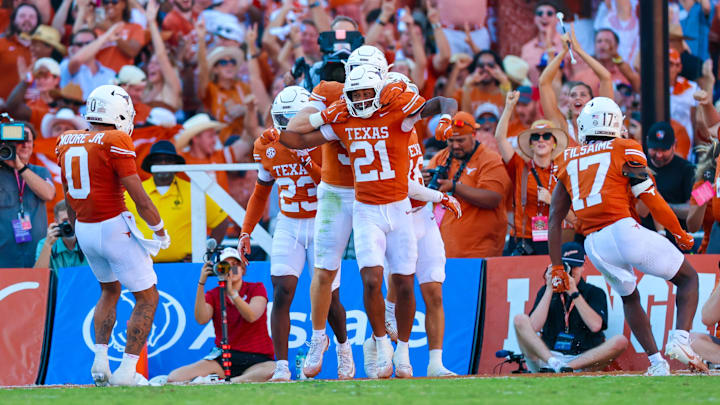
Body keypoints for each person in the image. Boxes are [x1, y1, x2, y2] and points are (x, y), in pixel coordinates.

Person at [281, 65, 458, 378]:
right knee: (372, 280)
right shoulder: (344, 119)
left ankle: (401, 352)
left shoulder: (401, 115)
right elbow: (295, 138)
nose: (361, 100)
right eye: (356, 94)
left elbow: (443, 103)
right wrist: (318, 116)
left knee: (403, 283)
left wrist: (445, 120)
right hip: (365, 209)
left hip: (401, 207)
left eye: (367, 93)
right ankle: (381, 344)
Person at [548, 96, 707, 375]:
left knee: (629, 297)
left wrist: (558, 265)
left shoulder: (567, 157)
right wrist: (679, 232)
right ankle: (681, 340)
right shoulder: (624, 148)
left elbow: (554, 219)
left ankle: (656, 363)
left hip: (594, 245)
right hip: (624, 230)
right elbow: (651, 198)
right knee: (688, 278)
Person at [56, 84, 170, 386]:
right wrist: (159, 229)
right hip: (112, 225)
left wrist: (79, 226)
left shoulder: (65, 140)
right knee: (147, 297)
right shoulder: (115, 139)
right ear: (118, 112)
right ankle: (127, 371)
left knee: (109, 290)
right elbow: (139, 197)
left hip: (85, 227)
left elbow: (68, 197)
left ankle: (100, 361)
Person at [239, 86, 352, 381]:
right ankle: (282, 366)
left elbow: (328, 183)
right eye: (282, 118)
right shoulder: (268, 145)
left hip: (322, 221)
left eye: (292, 118)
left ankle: (343, 348)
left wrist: (304, 159)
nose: (288, 125)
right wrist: (246, 231)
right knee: (281, 291)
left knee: (330, 295)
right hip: (288, 223)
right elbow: (261, 192)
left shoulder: (322, 140)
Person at [513, 241, 628, 372]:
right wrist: (550, 288)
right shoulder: (546, 291)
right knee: (520, 320)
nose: (570, 271)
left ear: (583, 266)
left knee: (620, 341)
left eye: (575, 266)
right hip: (549, 357)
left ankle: (565, 368)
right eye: (566, 266)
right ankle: (555, 364)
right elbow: (533, 327)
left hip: (581, 360)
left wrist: (574, 293)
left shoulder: (594, 292)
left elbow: (595, 326)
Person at [166, 248, 275, 383]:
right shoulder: (214, 294)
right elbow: (201, 319)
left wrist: (232, 293)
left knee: (271, 371)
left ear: (242, 269)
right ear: (219, 270)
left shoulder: (256, 288)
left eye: (235, 265)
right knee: (174, 377)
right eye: (226, 265)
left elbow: (252, 316)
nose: (231, 269)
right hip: (225, 357)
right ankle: (232, 380)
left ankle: (232, 381)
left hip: (258, 357)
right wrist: (201, 283)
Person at [124, 140, 229, 263]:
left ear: (175, 163)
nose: (163, 164)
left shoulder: (193, 191)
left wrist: (205, 252)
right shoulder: (133, 192)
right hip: (142, 266)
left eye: (168, 160)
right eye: (158, 160)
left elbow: (221, 222)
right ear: (151, 164)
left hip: (183, 267)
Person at [425, 112, 512, 258]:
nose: (455, 145)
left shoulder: (490, 160)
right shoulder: (440, 157)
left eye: (461, 140)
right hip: (442, 251)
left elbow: (493, 198)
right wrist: (423, 181)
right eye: (451, 141)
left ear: (473, 134)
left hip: (479, 252)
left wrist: (454, 187)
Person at [496, 91, 568, 256]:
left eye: (546, 136)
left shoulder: (563, 170)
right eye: (536, 137)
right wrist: (509, 107)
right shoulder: (520, 166)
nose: (541, 140)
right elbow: (500, 138)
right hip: (522, 240)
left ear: (553, 143)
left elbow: (573, 216)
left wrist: (552, 201)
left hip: (553, 239)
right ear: (531, 144)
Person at [539, 24, 614, 145]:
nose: (577, 97)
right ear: (568, 103)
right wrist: (563, 52)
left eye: (583, 94)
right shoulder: (561, 125)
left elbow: (606, 77)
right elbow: (544, 83)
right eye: (573, 95)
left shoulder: (601, 122)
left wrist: (579, 50)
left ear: (591, 101)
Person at [0, 122, 55, 268]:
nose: (24, 145)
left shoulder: (41, 172)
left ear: (33, 145)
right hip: (4, 258)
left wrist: (20, 166)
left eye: (28, 140)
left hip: (37, 256)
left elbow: (48, 194)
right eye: (19, 141)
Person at [644, 122, 695, 235]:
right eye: (655, 149)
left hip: (675, 238)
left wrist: (660, 205)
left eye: (664, 150)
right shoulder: (639, 166)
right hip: (644, 236)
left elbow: (692, 210)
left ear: (674, 145)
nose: (659, 155)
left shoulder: (687, 169)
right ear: (647, 142)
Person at [63, 26, 122, 100]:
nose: (85, 47)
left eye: (89, 44)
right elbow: (77, 60)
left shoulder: (110, 74)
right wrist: (107, 36)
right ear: (72, 48)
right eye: (79, 44)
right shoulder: (66, 65)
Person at [520, 1, 565, 86]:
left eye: (549, 13)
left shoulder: (567, 44)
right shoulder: (527, 48)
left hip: (561, 95)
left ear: (557, 19)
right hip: (535, 96)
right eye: (540, 13)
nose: (544, 16)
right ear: (534, 19)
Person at [34, 199, 87, 270]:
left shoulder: (87, 242)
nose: (70, 224)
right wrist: (48, 245)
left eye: (72, 219)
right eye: (65, 221)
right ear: (56, 222)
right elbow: (39, 275)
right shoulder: (45, 243)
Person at [0, 3, 39, 99]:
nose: (27, 19)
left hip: (32, 110)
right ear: (13, 20)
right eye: (22, 16)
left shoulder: (44, 49)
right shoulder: (2, 43)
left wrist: (41, 92)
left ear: (38, 22)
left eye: (32, 17)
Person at [669, 48, 699, 146]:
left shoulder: (692, 88)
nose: (665, 68)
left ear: (679, 67)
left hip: (684, 143)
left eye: (669, 64)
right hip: (660, 142)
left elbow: (696, 121)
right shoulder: (652, 87)